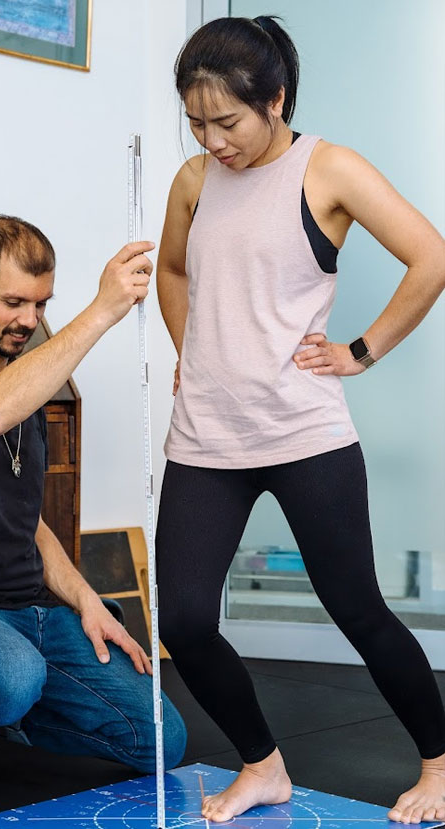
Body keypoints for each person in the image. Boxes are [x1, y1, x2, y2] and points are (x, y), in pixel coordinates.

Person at [155, 15, 445, 826]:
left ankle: (439, 762)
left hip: (303, 433)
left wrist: (360, 351)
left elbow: (431, 256)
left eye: (227, 121)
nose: (213, 140)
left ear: (275, 99)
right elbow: (173, 270)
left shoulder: (329, 169)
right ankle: (263, 765)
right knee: (184, 618)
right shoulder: (192, 180)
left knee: (358, 609)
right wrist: (192, 349)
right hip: (207, 436)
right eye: (196, 123)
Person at [0, 215, 186, 795]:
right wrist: (102, 309)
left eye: (41, 304)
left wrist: (88, 601)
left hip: (32, 616)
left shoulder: (31, 392)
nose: (29, 320)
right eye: (14, 302)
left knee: (161, 740)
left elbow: (29, 523)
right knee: (11, 673)